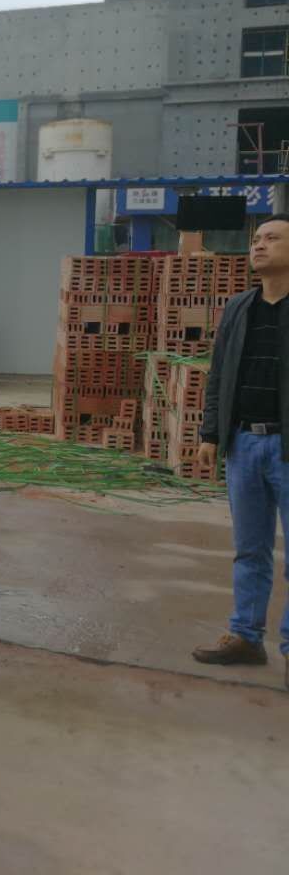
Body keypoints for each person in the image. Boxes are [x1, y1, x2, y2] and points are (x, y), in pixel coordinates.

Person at [194, 215, 289, 691]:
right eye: (256, 240)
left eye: (272, 238)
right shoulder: (238, 308)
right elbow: (219, 375)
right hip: (244, 444)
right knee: (250, 548)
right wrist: (211, 434)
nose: (259, 246)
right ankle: (247, 636)